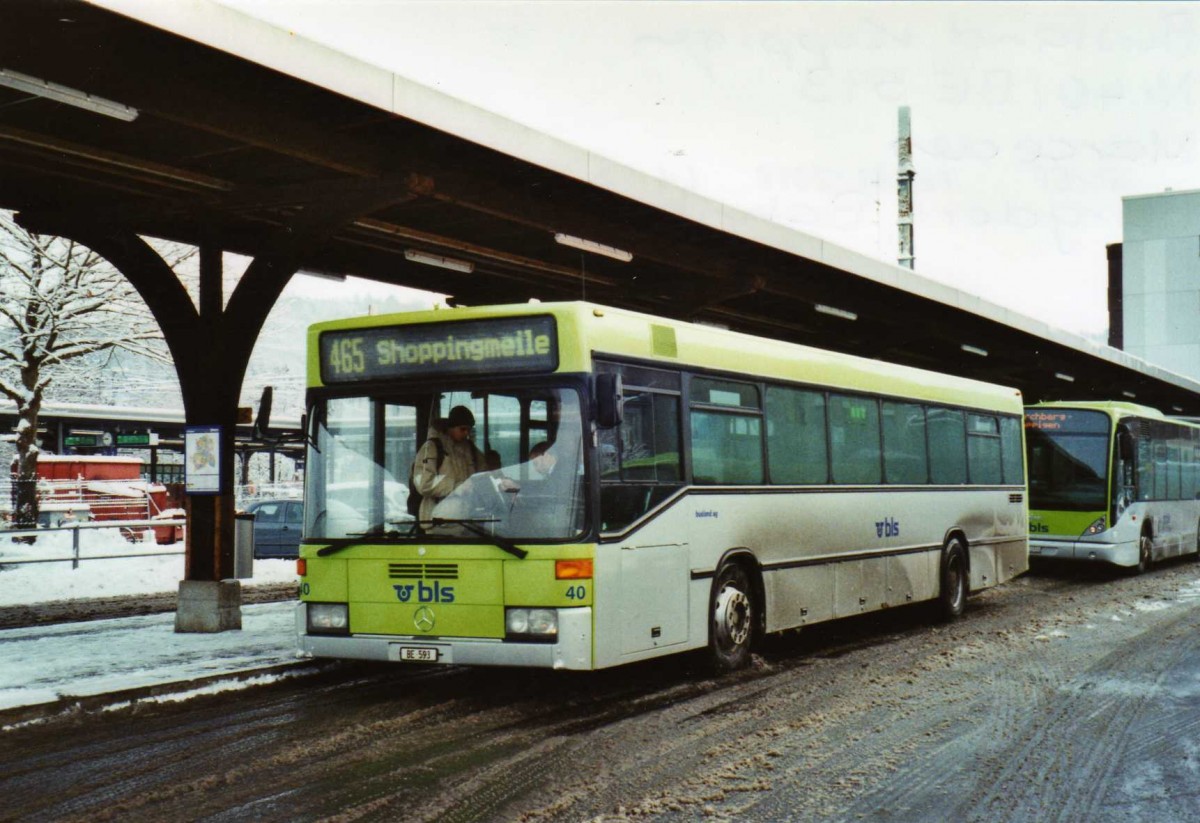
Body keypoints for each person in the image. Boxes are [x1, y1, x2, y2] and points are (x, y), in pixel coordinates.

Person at [411, 405, 485, 523]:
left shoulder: (470, 449)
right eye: (462, 429)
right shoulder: (432, 448)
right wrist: (457, 487)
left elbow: (485, 473)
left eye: (469, 430)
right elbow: (424, 483)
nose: (466, 433)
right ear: (451, 427)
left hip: (468, 520)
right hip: (439, 522)